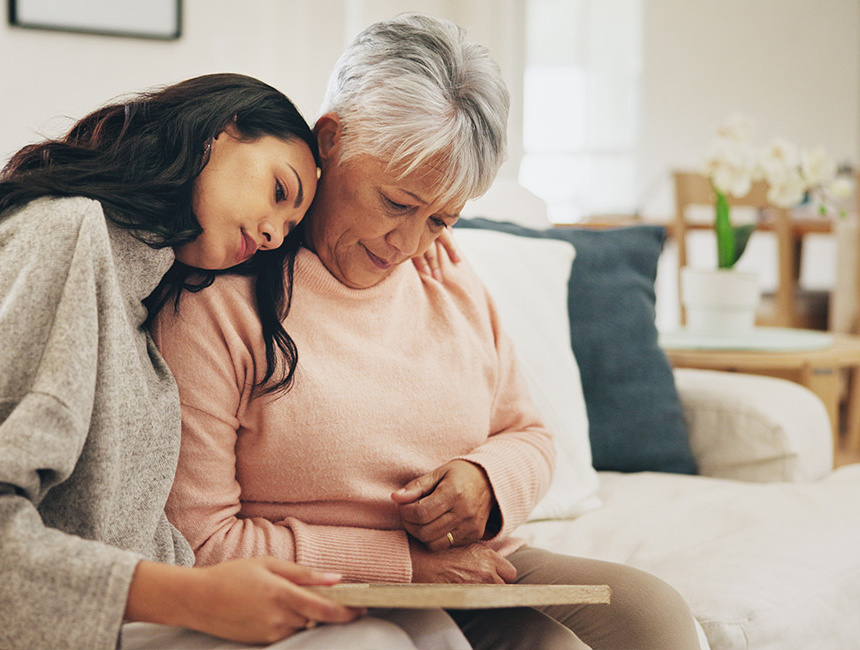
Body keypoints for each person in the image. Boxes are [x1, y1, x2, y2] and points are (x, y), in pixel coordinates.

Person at [151, 15, 703, 650]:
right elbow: (200, 542)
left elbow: (528, 432)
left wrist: (486, 481)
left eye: (441, 218)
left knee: (652, 617)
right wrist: (401, 564)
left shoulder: (446, 273)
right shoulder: (221, 293)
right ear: (330, 140)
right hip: (314, 580)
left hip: (462, 568)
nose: (408, 246)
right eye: (397, 203)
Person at [0, 72, 419, 650]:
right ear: (219, 133)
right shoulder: (63, 236)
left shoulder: (140, 304)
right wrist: (199, 598)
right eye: (278, 192)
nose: (273, 235)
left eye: (290, 228)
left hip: (112, 632)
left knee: (420, 631)